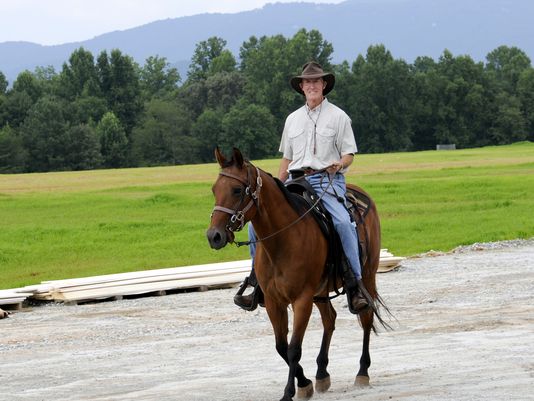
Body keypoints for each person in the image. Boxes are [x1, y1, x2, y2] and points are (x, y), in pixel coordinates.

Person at [234, 61, 369, 314]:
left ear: (324, 84)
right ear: (302, 87)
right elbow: (287, 157)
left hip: (326, 181)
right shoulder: (292, 119)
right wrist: (276, 184)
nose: (312, 86)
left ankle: (355, 284)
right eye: (307, 82)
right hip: (295, 181)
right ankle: (257, 282)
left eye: (316, 81)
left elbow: (349, 153)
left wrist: (339, 164)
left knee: (342, 222)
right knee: (255, 226)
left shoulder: (339, 117)